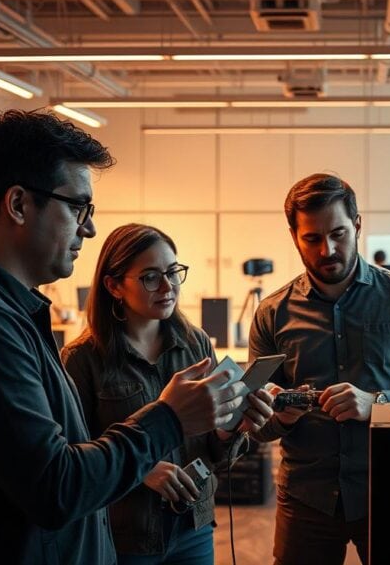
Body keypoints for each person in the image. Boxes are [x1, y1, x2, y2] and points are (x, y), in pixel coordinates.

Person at [0, 109, 245, 564]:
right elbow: (57, 487)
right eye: (78, 207)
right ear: (18, 205)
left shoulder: (0, 310)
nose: (88, 228)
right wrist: (167, 419)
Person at [248, 173, 390, 565]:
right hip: (306, 496)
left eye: (338, 234)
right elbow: (256, 426)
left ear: (357, 225)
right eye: (312, 238)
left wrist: (378, 403)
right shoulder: (272, 313)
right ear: (294, 236)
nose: (327, 249)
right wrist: (282, 416)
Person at [63, 224, 274, 564]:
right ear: (114, 286)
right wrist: (140, 469)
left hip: (193, 526)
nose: (168, 287)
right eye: (150, 277)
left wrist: (233, 427)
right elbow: (73, 459)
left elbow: (213, 451)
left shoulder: (195, 343)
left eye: (173, 272)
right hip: (126, 534)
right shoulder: (82, 358)